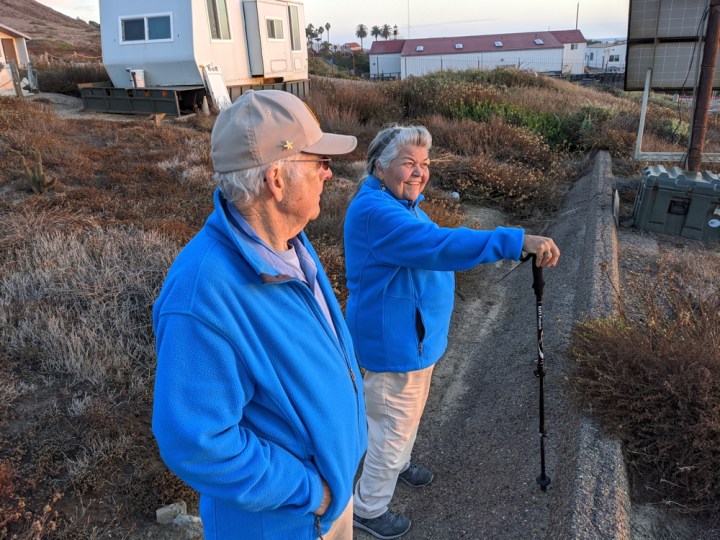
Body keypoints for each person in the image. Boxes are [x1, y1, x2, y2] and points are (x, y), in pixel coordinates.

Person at [151, 89, 367, 540]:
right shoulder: (202, 294)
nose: (329, 172)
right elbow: (196, 442)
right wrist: (311, 491)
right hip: (286, 522)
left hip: (329, 501)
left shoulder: (290, 245)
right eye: (318, 161)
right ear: (276, 180)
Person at [344, 125, 560, 539]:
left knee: (401, 419)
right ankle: (368, 508)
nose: (418, 173)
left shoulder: (399, 202)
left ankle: (399, 463)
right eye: (408, 163)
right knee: (392, 425)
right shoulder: (376, 212)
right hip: (396, 345)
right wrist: (514, 241)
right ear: (378, 166)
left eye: (423, 164)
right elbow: (440, 245)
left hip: (415, 341)